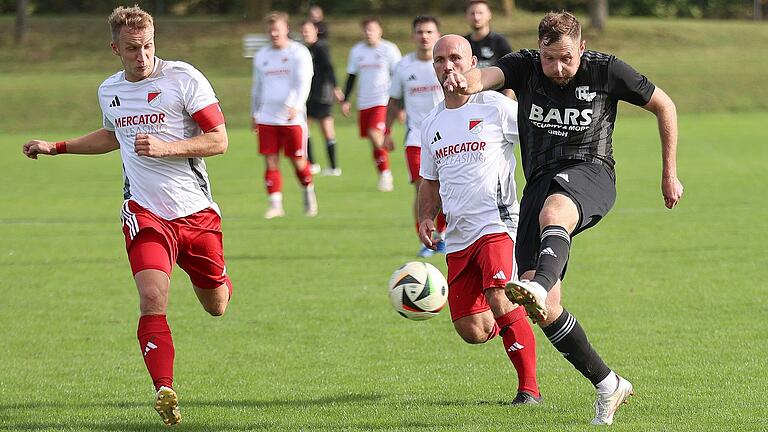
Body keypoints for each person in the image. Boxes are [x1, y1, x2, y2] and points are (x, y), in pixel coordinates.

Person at [443, 11, 684, 425]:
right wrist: (467, 81)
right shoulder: (524, 66)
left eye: (567, 58)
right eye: (550, 58)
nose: (558, 68)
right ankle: (609, 384)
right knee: (548, 309)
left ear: (582, 48)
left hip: (591, 170)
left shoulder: (606, 70)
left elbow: (665, 105)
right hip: (538, 183)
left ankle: (536, 284)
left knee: (556, 214)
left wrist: (669, 172)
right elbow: (487, 77)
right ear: (539, 51)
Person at [21, 5, 233, 426]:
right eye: (133, 48)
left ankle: (221, 279)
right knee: (152, 297)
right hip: (144, 211)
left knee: (217, 305)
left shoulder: (184, 79)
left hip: (196, 214)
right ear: (115, 48)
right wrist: (56, 146)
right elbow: (112, 135)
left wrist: (167, 147)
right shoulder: (110, 90)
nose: (143, 55)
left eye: (149, 45)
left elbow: (219, 140)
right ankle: (164, 389)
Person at [418, 34, 540, 405]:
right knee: (472, 329)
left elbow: (536, 143)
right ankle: (514, 318)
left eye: (455, 57)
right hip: (457, 235)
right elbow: (429, 179)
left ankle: (529, 390)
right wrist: (425, 216)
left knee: (498, 295)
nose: (447, 65)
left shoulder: (496, 107)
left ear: (473, 63)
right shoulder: (431, 123)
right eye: (440, 60)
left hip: (498, 223)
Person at [384, 16, 446, 257]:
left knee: (445, 188)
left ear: (438, 34)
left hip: (447, 136)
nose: (424, 36)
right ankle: (425, 238)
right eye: (420, 32)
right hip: (416, 137)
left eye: (429, 31)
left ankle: (442, 234)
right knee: (422, 188)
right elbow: (394, 101)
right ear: (413, 36)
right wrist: (386, 131)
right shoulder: (403, 66)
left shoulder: (446, 63)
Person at [252, 11, 317, 219]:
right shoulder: (262, 56)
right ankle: (275, 204)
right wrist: (254, 112)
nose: (273, 33)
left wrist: (297, 105)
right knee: (270, 161)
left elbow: (304, 82)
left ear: (286, 29)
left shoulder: (299, 53)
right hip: (267, 118)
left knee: (298, 161)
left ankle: (308, 191)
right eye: (270, 30)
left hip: (292, 119)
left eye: (277, 29)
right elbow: (257, 87)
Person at [341, 18, 402, 191]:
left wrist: (400, 104)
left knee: (374, 134)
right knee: (373, 140)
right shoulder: (357, 51)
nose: (369, 33)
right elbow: (351, 76)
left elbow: (398, 76)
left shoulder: (389, 49)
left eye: (372, 30)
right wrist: (345, 99)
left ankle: (386, 174)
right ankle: (383, 171)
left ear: (380, 31)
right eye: (366, 30)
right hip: (364, 102)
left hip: (382, 100)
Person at [301, 19, 344, 177]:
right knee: (307, 128)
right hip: (312, 94)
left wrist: (336, 89)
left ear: (316, 31)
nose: (305, 33)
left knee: (319, 129)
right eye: (303, 30)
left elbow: (329, 68)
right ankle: (319, 165)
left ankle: (325, 166)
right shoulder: (307, 49)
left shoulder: (320, 47)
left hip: (322, 94)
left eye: (308, 30)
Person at [464, 0, 514, 98]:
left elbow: (512, 73)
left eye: (480, 13)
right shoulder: (463, 44)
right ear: (466, 16)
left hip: (496, 101)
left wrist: (507, 101)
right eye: (472, 13)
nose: (476, 17)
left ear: (489, 14)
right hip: (470, 103)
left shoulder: (499, 42)